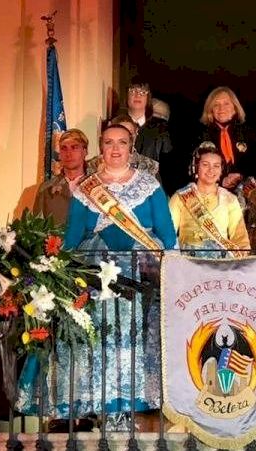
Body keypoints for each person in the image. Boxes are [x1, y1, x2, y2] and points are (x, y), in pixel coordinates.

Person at [40, 122, 177, 426]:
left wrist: (174, 267)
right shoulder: (86, 188)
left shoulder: (149, 185)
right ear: (100, 148)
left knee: (133, 336)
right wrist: (55, 270)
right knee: (100, 338)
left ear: (131, 147)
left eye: (122, 142)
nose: (115, 149)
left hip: (139, 273)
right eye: (109, 142)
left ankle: (130, 405)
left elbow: (168, 233)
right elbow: (72, 236)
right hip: (95, 273)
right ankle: (99, 404)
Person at [168, 142, 250, 257]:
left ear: (221, 170)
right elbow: (168, 233)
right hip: (188, 261)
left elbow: (240, 239)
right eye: (205, 165)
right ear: (196, 167)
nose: (211, 170)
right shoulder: (180, 197)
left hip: (220, 262)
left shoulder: (230, 199)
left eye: (216, 166)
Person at [195, 87, 256, 190]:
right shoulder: (200, 135)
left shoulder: (248, 133)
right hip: (212, 189)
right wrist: (221, 180)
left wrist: (241, 177)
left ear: (235, 107)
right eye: (216, 105)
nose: (221, 108)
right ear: (210, 109)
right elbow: (195, 169)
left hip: (246, 189)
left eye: (226, 103)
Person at [32, 128, 91, 226]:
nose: (68, 154)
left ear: (85, 151)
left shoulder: (99, 185)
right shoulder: (46, 189)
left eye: (74, 147)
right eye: (64, 148)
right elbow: (37, 229)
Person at [88, 115, 162, 183]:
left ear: (136, 133)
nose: (126, 136)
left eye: (130, 133)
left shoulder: (150, 166)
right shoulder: (93, 165)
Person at [122, 81, 173, 173]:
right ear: (126, 96)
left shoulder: (161, 130)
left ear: (148, 98)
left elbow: (168, 166)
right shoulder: (116, 125)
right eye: (133, 91)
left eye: (143, 92)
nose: (138, 95)